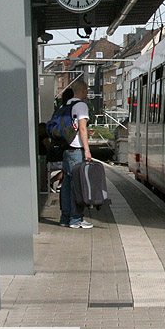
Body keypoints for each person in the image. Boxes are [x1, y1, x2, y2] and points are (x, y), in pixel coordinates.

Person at [59, 81, 94, 229]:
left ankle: (65, 218)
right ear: (84, 90)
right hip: (76, 150)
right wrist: (87, 150)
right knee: (77, 185)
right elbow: (82, 128)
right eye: (87, 90)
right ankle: (76, 219)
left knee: (66, 185)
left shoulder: (65, 106)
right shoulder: (81, 106)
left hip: (66, 149)